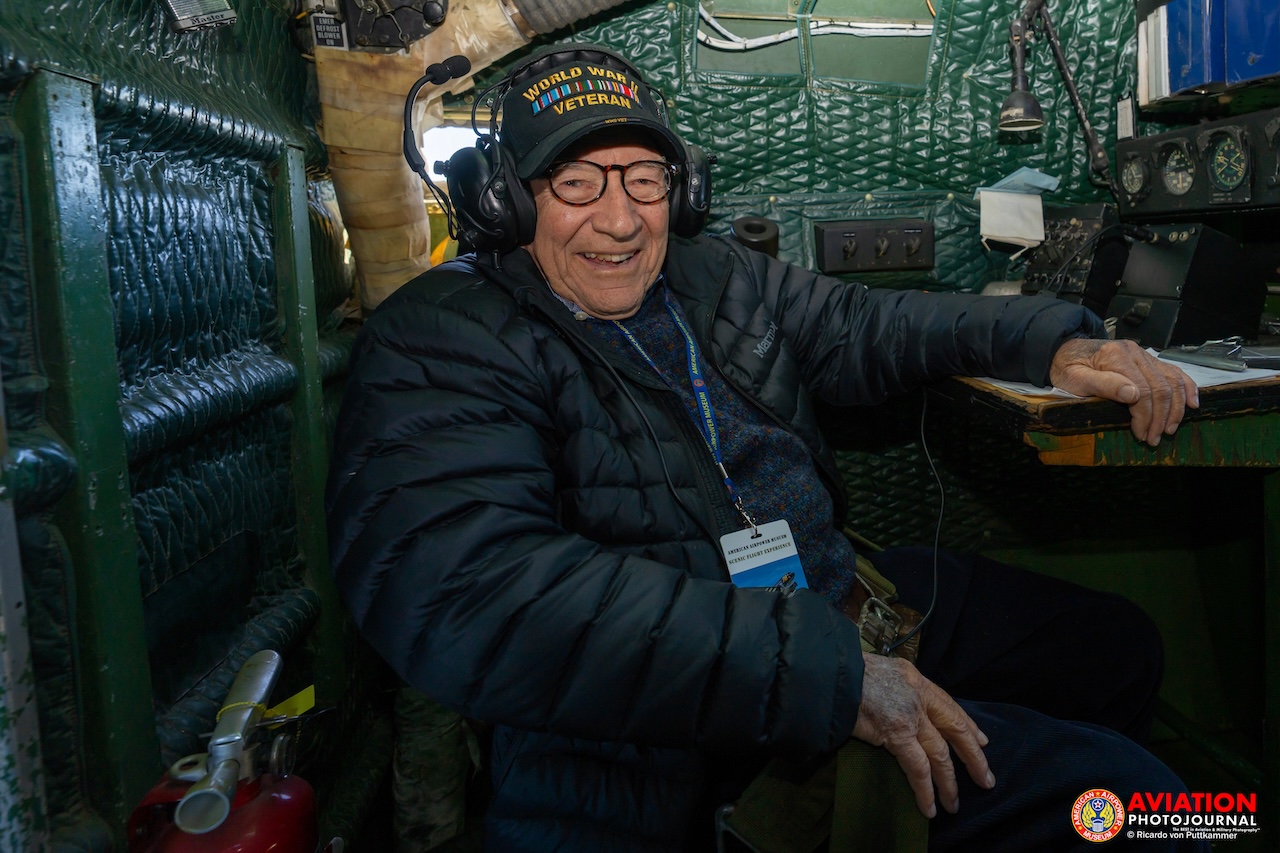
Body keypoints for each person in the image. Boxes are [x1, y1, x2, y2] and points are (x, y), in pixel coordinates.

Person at [327, 43, 1207, 852]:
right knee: (1140, 803)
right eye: (578, 183)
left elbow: (870, 325)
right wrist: (827, 678)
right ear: (506, 200)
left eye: (643, 180)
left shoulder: (712, 274)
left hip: (834, 609)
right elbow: (472, 592)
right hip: (683, 730)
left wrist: (1052, 341)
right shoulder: (441, 337)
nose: (623, 220)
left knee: (1116, 647)